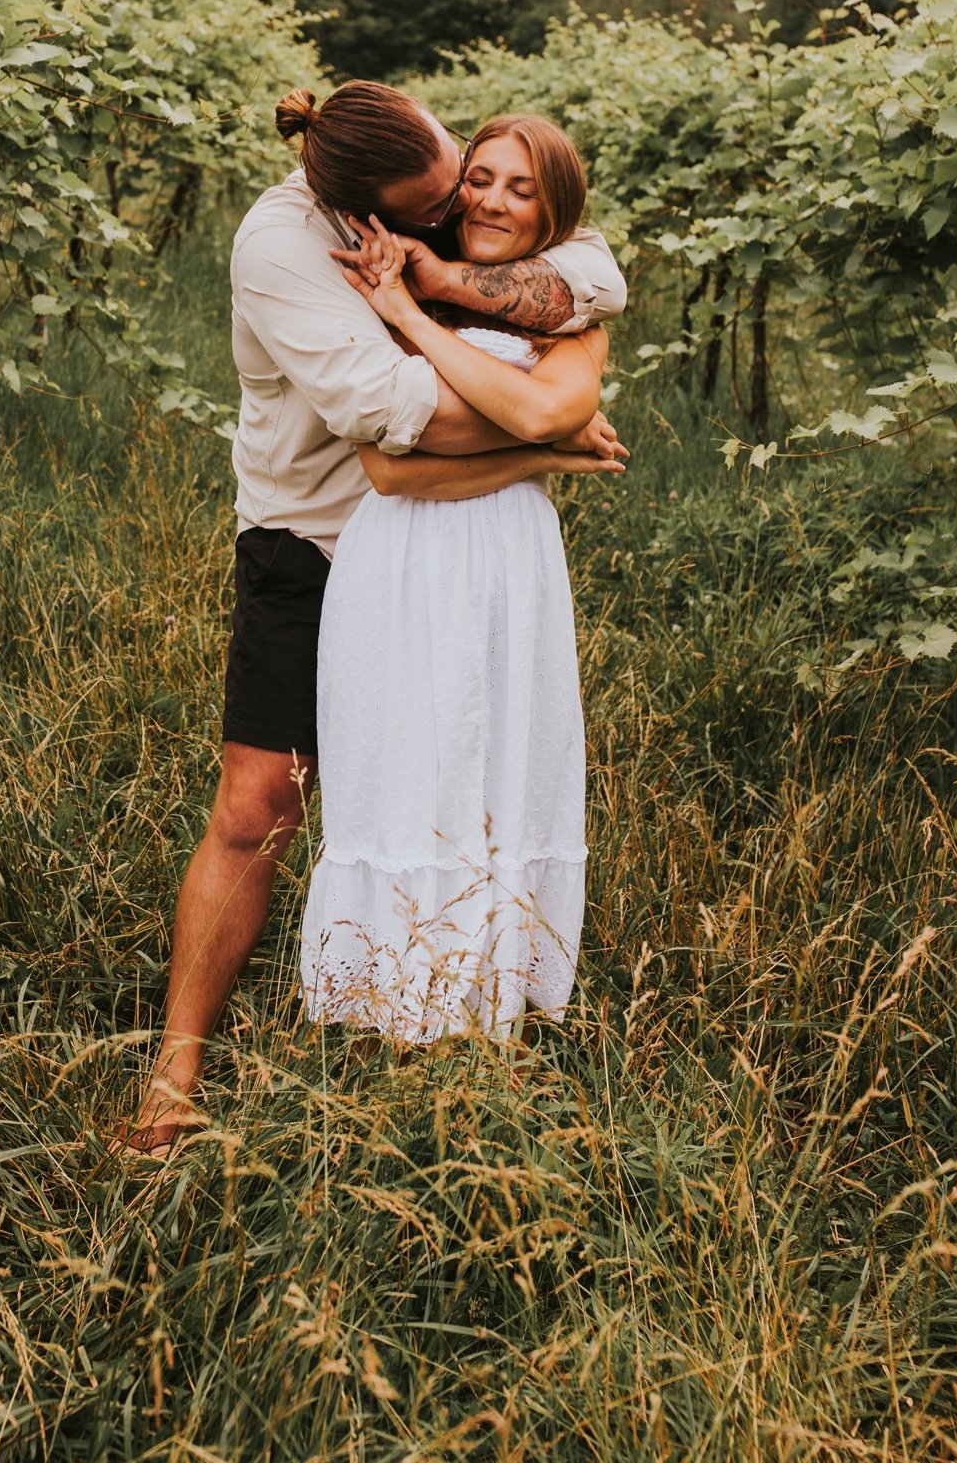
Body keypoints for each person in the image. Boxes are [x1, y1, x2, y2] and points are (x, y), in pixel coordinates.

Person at [117, 79, 626, 1157]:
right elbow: (394, 428)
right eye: (436, 202)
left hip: (450, 554)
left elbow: (589, 266)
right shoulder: (281, 250)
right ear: (354, 203)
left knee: (461, 785)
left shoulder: (436, 195)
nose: (457, 210)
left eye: (458, 185)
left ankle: (451, 1022)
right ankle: (178, 1063)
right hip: (317, 540)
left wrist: (456, 281)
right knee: (261, 799)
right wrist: (547, 433)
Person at [301, 116, 604, 1045]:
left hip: (511, 559)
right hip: (399, 556)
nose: (494, 202)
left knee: (506, 753)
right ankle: (389, 1003)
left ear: (552, 207)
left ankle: (489, 1000)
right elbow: (391, 471)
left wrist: (413, 318)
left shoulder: (566, 305)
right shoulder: (387, 276)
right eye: (481, 178)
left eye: (523, 188)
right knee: (406, 758)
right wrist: (548, 455)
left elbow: (549, 402)